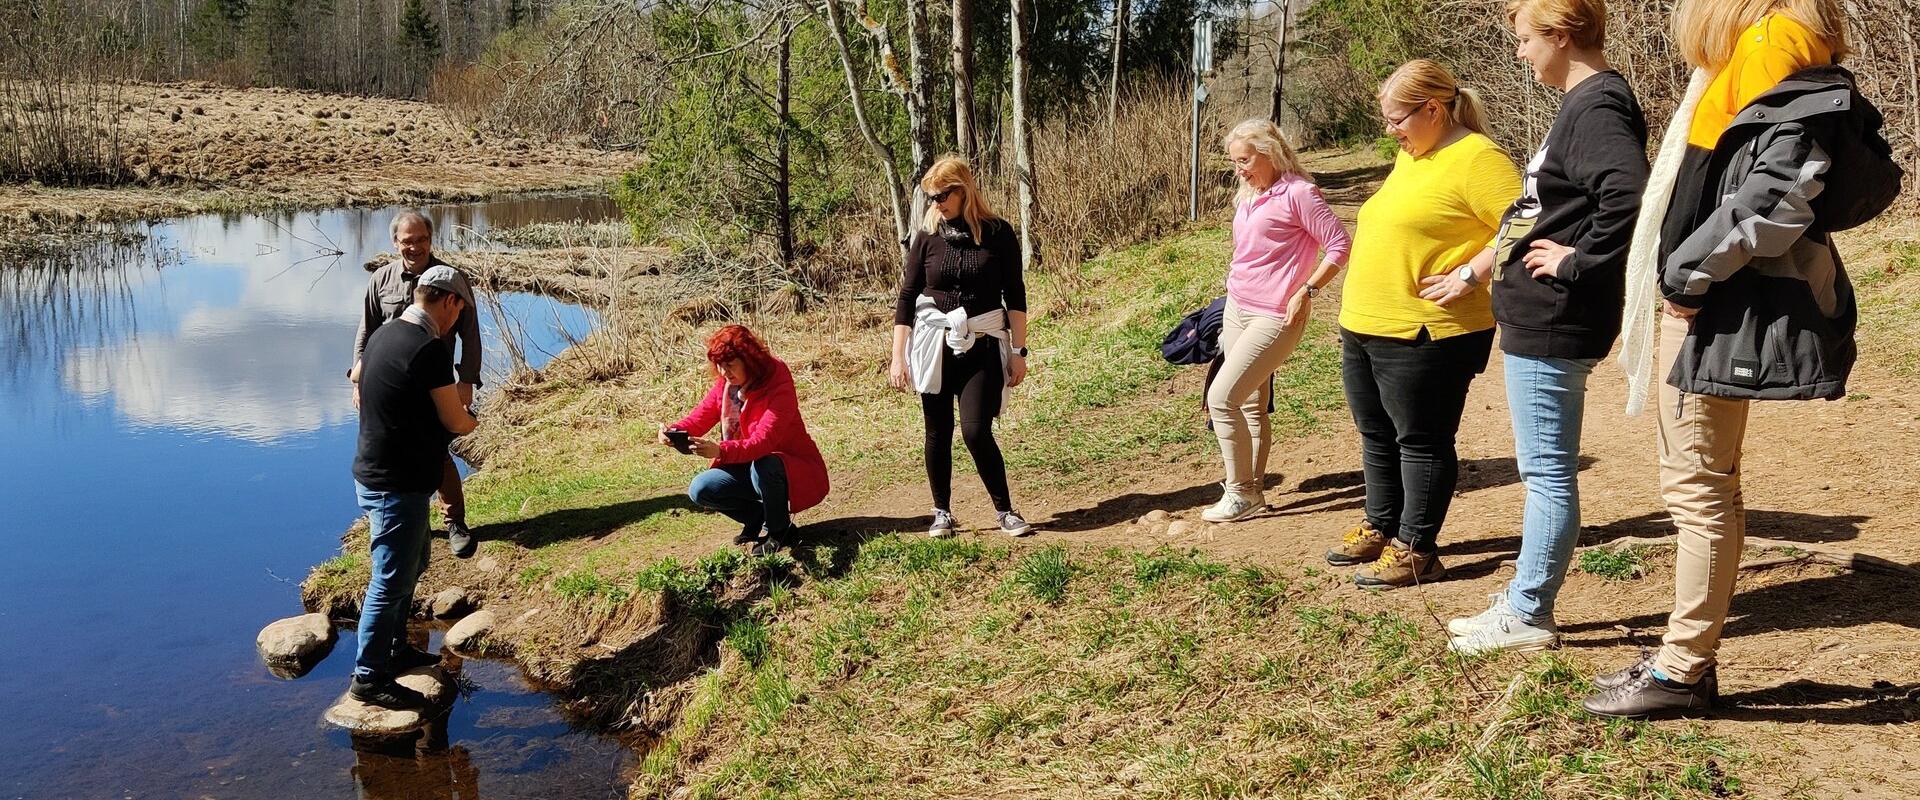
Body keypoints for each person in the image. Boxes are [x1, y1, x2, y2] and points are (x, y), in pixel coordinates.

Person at [1584, 0, 1894, 717]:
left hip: (1713, 307)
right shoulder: (1769, 48)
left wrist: (1687, 273)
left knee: (1698, 489)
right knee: (1708, 485)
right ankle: (1685, 662)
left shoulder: (1773, 43)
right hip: (1713, 302)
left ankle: (1682, 672)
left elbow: (1782, 189)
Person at [1446, 0, 1650, 654]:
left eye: (1527, 39)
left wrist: (1578, 260)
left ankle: (1530, 612)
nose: (1520, 51)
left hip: (1557, 322)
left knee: (1546, 474)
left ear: (1562, 36)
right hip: (1542, 318)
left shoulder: (1596, 105)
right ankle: (1521, 596)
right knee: (1545, 471)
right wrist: (1484, 268)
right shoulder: (1583, 102)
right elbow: (1538, 207)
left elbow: (1630, 194)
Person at [1323, 59, 1521, 588]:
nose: (1391, 132)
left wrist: (1470, 275)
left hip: (1427, 331)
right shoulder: (1413, 155)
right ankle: (1382, 524)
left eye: (1397, 119)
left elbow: (1526, 220)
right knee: (1375, 434)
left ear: (1433, 108)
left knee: (1421, 440)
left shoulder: (1478, 158)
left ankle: (1417, 547)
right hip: (1366, 323)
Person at [1202, 119, 1352, 523]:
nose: (1239, 170)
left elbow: (1339, 245)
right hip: (1238, 307)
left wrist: (1309, 290)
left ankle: (1238, 493)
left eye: (1245, 160)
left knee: (1222, 398)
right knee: (1251, 403)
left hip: (1275, 316)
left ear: (1270, 152)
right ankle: (1251, 492)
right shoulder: (1248, 192)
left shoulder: (1299, 193)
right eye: (1234, 162)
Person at [348, 265, 479, 710]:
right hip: (395, 483)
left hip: (382, 472)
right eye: (459, 312)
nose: (457, 323)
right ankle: (368, 677)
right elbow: (454, 419)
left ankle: (394, 648)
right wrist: (471, 418)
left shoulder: (386, 333)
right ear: (449, 301)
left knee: (415, 559)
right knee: (389, 579)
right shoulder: (427, 348)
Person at [887, 155, 1035, 538]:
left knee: (975, 430)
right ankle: (942, 512)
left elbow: (1015, 294)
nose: (936, 204)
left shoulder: (998, 232)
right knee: (937, 431)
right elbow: (907, 296)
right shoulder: (926, 237)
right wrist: (897, 356)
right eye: (930, 197)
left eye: (942, 196)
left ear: (963, 189)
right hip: (934, 343)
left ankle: (1005, 511)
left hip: (982, 342)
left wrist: (1019, 352)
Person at [350, 211, 484, 559]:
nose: (415, 246)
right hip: (393, 390)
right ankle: (413, 522)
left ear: (430, 238)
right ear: (395, 242)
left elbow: (470, 335)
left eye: (421, 239)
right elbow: (366, 333)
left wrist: (466, 380)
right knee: (394, 453)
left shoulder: (451, 281)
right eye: (407, 241)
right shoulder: (380, 280)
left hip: (436, 385)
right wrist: (358, 383)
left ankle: (455, 521)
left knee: (438, 453)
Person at [663, 325, 829, 553]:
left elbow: (763, 442)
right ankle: (758, 517)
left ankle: (779, 532)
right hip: (746, 465)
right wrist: (673, 431)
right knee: (700, 489)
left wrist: (720, 450)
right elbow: (700, 417)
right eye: (719, 366)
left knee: (765, 464)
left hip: (792, 468)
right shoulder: (727, 385)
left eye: (729, 365)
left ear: (749, 361)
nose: (723, 372)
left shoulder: (778, 383)